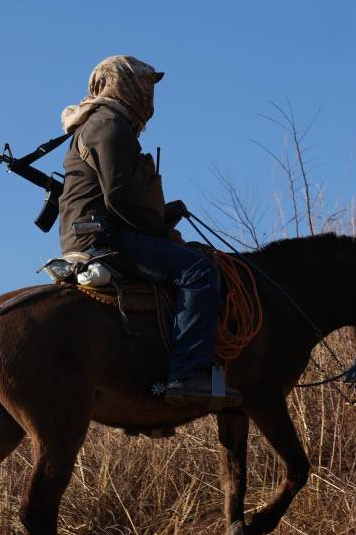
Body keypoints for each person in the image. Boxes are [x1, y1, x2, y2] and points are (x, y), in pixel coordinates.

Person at [57, 55, 237, 407]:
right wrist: (160, 230)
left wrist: (165, 214)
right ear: (124, 84)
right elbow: (120, 195)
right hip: (104, 241)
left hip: (99, 233)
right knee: (199, 271)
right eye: (144, 85)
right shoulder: (110, 125)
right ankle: (187, 375)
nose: (149, 94)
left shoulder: (102, 123)